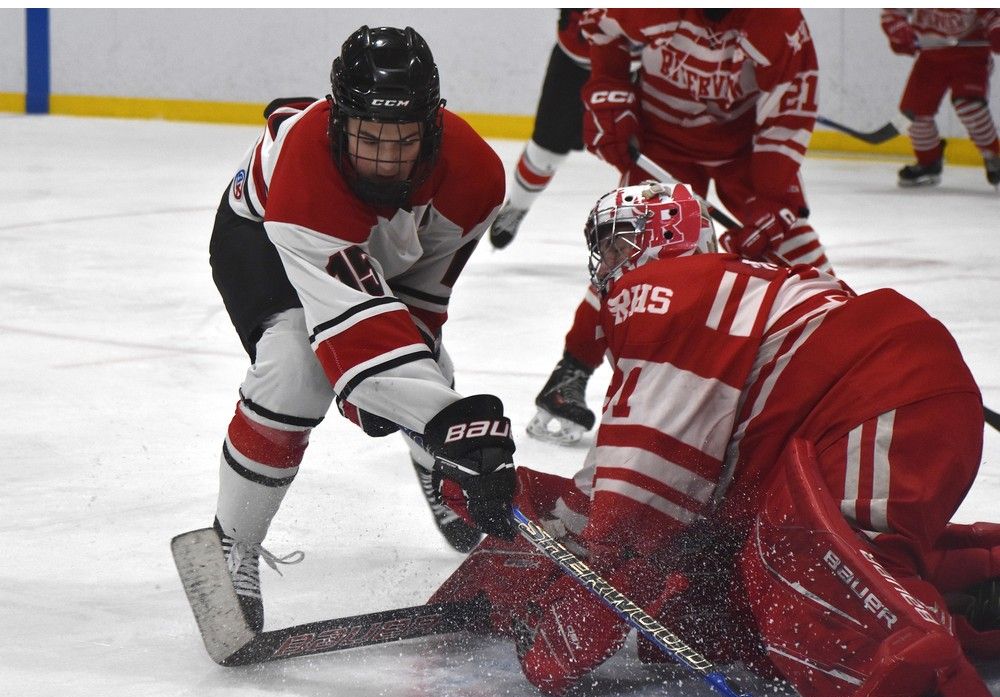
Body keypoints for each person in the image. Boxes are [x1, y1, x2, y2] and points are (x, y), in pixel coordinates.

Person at [431, 180, 1000, 697]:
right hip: (880, 402)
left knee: (801, 575)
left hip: (881, 399)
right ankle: (979, 591)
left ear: (664, 238)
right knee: (730, 595)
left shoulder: (662, 290)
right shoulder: (719, 288)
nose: (605, 265)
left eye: (616, 244)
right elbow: (636, 499)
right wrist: (526, 503)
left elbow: (638, 506)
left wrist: (560, 635)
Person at [207, 25, 519, 631]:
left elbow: (422, 301)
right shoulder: (306, 172)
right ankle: (233, 544)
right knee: (296, 371)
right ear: (337, 122)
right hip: (262, 246)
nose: (382, 156)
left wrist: (434, 421)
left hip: (363, 257)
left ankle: (440, 475)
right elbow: (349, 337)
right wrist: (441, 420)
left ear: (431, 126)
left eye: (400, 139)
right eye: (366, 135)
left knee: (432, 373)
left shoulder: (476, 178)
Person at [528, 8, 835, 445]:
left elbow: (786, 116)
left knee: (789, 242)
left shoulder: (778, 22)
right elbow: (603, 35)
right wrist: (610, 97)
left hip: (743, 149)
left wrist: (772, 199)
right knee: (629, 249)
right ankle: (570, 372)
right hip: (662, 142)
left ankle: (840, 357)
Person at [488, 9, 592, 249]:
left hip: (632, 67)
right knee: (546, 151)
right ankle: (518, 204)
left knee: (648, 152)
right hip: (573, 61)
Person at [881, 8, 1000, 187]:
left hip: (971, 56)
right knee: (913, 114)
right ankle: (929, 162)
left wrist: (996, 31)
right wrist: (900, 32)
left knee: (969, 107)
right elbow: (893, 12)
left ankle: (994, 157)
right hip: (931, 58)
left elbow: (993, 15)